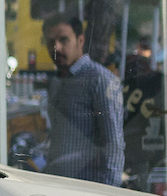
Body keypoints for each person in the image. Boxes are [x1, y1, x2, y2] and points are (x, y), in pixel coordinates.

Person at [41, 13, 124, 186]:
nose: (57, 48)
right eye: (51, 42)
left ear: (80, 40)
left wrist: (108, 195)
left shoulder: (99, 79)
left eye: (64, 40)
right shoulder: (57, 82)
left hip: (87, 191)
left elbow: (113, 145)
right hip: (58, 186)